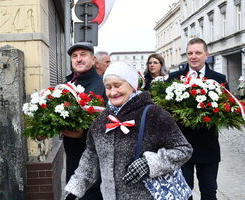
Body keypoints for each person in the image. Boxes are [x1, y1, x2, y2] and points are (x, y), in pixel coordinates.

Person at [64, 62, 192, 199]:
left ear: (132, 85)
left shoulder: (155, 115)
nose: (112, 92)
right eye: (108, 87)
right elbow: (91, 157)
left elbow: (184, 149)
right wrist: (74, 190)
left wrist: (150, 163)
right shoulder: (101, 121)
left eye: (117, 85)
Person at [168, 38, 229, 200]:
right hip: (182, 147)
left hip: (208, 146)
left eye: (197, 53)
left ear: (206, 55)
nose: (193, 57)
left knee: (209, 193)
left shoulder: (219, 79)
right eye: (190, 53)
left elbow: (227, 111)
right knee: (183, 193)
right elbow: (164, 111)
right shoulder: (174, 78)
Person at [62, 42, 106, 200]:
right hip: (73, 158)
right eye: (74, 56)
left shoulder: (104, 85)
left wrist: (82, 134)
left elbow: (111, 124)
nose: (78, 59)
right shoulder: (66, 86)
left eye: (83, 55)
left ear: (94, 60)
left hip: (97, 163)